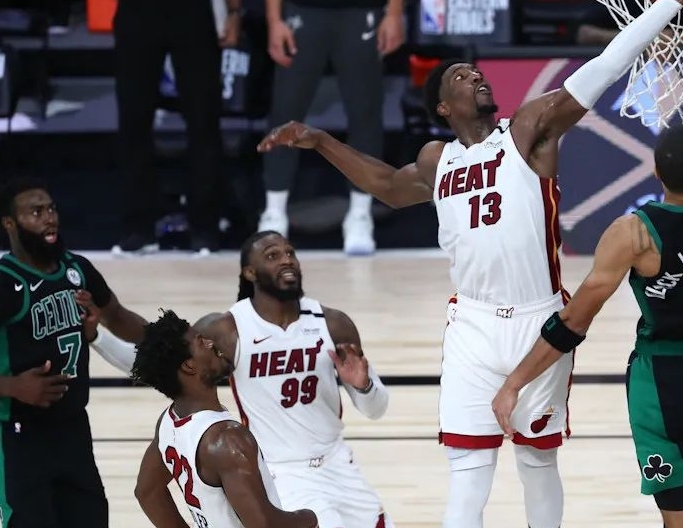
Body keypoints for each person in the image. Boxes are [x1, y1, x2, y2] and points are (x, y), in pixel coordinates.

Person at [257, 0, 683, 528]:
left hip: (537, 321)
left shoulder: (526, 131)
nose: (475, 77)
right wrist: (322, 141)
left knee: (536, 462)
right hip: (472, 325)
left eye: (477, 73)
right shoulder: (437, 159)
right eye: (460, 77)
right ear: (443, 107)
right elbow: (386, 187)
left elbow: (604, 67)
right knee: (467, 471)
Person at [491, 0, 683, 528]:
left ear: (656, 174)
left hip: (666, 384)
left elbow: (573, 323)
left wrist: (514, 382)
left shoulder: (635, 235)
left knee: (680, 514)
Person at [194, 230, 395, 528]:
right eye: (272, 256)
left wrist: (362, 385)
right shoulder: (228, 330)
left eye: (290, 253)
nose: (286, 260)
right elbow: (175, 374)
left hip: (338, 462)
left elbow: (376, 410)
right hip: (281, 472)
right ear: (250, 273)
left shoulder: (333, 324)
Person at [0, 176, 149, 528]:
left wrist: (172, 337)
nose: (49, 218)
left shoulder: (77, 269)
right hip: (19, 435)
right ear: (10, 224)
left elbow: (118, 317)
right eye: (36, 212)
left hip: (73, 429)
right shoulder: (5, 282)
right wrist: (12, 387)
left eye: (51, 209)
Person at [256, 0, 408, 255]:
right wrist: (274, 19)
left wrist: (394, 12)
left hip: (362, 5)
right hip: (302, 5)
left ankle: (360, 213)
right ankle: (274, 212)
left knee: (365, 112)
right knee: (285, 108)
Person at [94, 0, 243, 255]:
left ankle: (205, 227)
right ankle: (138, 228)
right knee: (134, 119)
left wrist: (234, 9)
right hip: (137, 1)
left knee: (203, 118)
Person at [131, 309, 319, 528]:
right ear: (189, 366)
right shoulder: (228, 440)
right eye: (201, 342)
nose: (211, 343)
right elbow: (264, 524)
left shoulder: (168, 421)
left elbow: (147, 492)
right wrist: (309, 518)